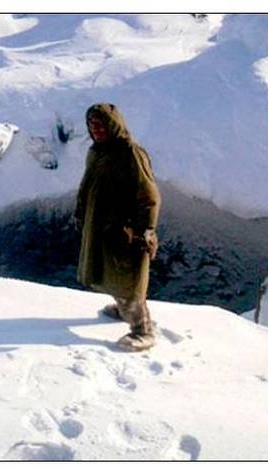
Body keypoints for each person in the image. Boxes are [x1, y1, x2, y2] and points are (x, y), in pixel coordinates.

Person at [74, 103, 161, 351]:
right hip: (102, 228)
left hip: (126, 231)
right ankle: (125, 309)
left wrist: (147, 230)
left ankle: (142, 330)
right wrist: (81, 215)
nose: (97, 130)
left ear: (114, 125)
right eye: (92, 125)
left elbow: (149, 196)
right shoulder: (97, 152)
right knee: (108, 272)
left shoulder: (130, 154)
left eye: (101, 125)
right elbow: (88, 187)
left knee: (127, 280)